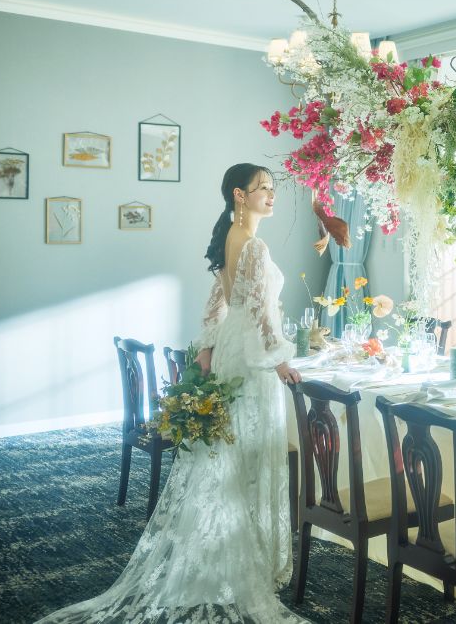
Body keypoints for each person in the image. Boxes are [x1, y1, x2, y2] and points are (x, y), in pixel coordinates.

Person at [37, 163, 308, 623]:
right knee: (248, 453)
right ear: (239, 195)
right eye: (263, 188)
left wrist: (207, 348)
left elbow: (217, 303)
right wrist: (280, 359)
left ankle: (227, 553)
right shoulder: (253, 245)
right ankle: (244, 559)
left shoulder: (230, 237)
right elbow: (260, 313)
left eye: (272, 188)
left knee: (230, 454)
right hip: (252, 360)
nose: (271, 195)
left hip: (231, 351)